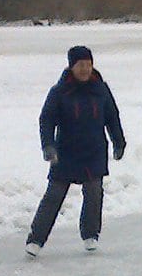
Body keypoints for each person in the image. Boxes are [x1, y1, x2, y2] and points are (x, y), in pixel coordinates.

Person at [25, 44, 126, 257]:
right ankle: (36, 239)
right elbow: (46, 119)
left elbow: (112, 117)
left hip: (94, 150)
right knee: (54, 195)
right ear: (71, 66)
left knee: (93, 193)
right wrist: (48, 146)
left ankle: (91, 235)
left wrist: (119, 142)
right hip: (66, 151)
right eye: (81, 65)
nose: (85, 69)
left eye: (89, 65)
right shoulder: (60, 91)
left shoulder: (101, 89)